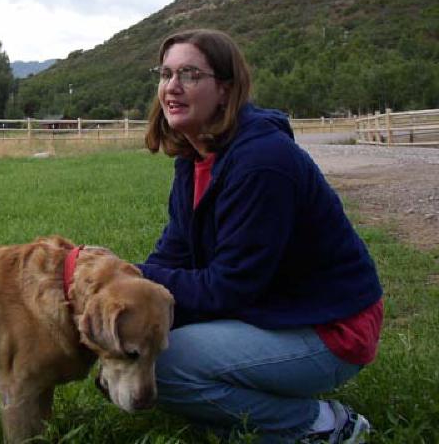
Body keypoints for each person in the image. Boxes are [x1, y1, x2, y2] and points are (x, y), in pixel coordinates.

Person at [138, 29, 383, 443]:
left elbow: (230, 288)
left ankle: (323, 425)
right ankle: (242, 414)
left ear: (225, 89)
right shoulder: (195, 158)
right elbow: (173, 254)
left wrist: (135, 276)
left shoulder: (262, 162)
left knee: (157, 366)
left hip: (333, 327)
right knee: (142, 342)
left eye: (190, 74)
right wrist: (126, 285)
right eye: (165, 74)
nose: (172, 87)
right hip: (280, 311)